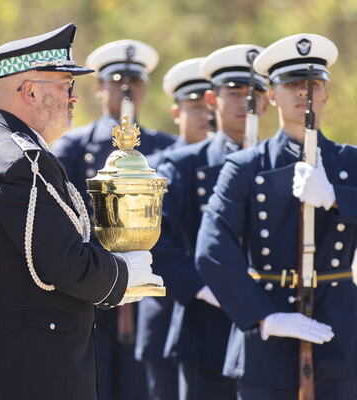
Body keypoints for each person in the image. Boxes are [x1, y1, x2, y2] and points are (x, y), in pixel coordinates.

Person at [0, 23, 163, 400]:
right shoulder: (19, 162)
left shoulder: (4, 148)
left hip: (6, 365)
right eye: (65, 86)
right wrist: (122, 276)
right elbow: (65, 264)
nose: (74, 98)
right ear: (29, 91)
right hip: (13, 371)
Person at [197, 33, 357, 400]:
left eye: (313, 84)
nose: (304, 93)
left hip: (339, 328)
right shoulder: (246, 166)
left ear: (326, 94)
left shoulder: (350, 162)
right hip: (267, 332)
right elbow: (212, 248)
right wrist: (263, 317)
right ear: (271, 95)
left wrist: (336, 198)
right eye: (292, 85)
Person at [51, 39, 175, 400]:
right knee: (93, 382)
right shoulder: (73, 145)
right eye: (117, 80)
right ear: (100, 87)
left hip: (149, 285)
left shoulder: (167, 147)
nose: (126, 89)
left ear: (145, 89)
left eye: (134, 82)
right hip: (93, 282)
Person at [149, 45, 269, 400]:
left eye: (254, 93)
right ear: (212, 99)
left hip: (268, 325)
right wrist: (206, 288)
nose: (245, 102)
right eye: (234, 93)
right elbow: (155, 239)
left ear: (267, 102)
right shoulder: (182, 165)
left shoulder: (281, 165)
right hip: (205, 330)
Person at [136, 57, 211, 400]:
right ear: (176, 113)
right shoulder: (165, 166)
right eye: (194, 106)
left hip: (216, 317)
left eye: (208, 103)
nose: (204, 114)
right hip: (168, 311)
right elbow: (153, 239)